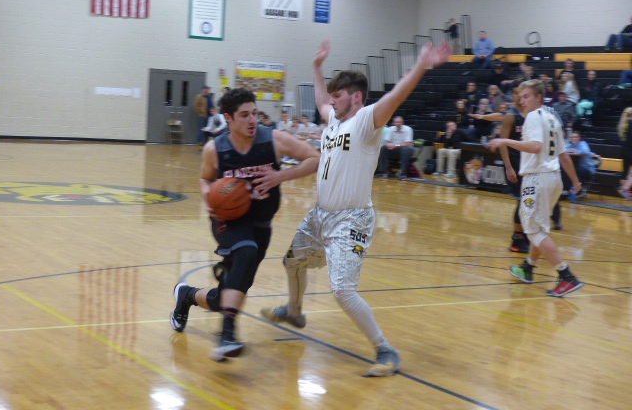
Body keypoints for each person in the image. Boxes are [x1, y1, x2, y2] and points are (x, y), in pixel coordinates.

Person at [261, 39, 452, 377]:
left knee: (342, 290)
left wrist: (422, 65)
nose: (331, 101)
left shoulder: (366, 120)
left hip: (352, 219)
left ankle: (385, 349)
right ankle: (294, 311)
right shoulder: (334, 120)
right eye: (332, 96)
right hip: (321, 215)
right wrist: (317, 67)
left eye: (338, 96)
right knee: (292, 262)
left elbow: (397, 97)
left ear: (357, 97)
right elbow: (321, 100)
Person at [170, 88, 320, 361]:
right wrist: (208, 196)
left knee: (229, 293)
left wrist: (280, 176)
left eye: (254, 113)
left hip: (261, 224)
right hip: (228, 222)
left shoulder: (274, 140)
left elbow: (315, 158)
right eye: (244, 115)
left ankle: (187, 295)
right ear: (228, 118)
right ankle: (227, 335)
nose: (252, 120)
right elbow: (205, 179)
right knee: (246, 251)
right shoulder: (215, 149)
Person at [487, 80, 583, 297]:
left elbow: (535, 146)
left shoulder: (532, 117)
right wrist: (575, 181)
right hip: (554, 178)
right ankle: (529, 267)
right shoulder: (552, 117)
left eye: (527, 96)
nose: (522, 101)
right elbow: (563, 154)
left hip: (537, 179)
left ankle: (567, 276)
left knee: (533, 230)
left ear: (539, 97)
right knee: (539, 229)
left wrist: (505, 140)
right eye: (520, 97)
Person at [618, 107, 632, 196]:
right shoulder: (631, 124)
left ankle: (624, 188)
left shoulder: (623, 125)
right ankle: (625, 189)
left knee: (625, 171)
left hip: (624, 150)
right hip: (630, 149)